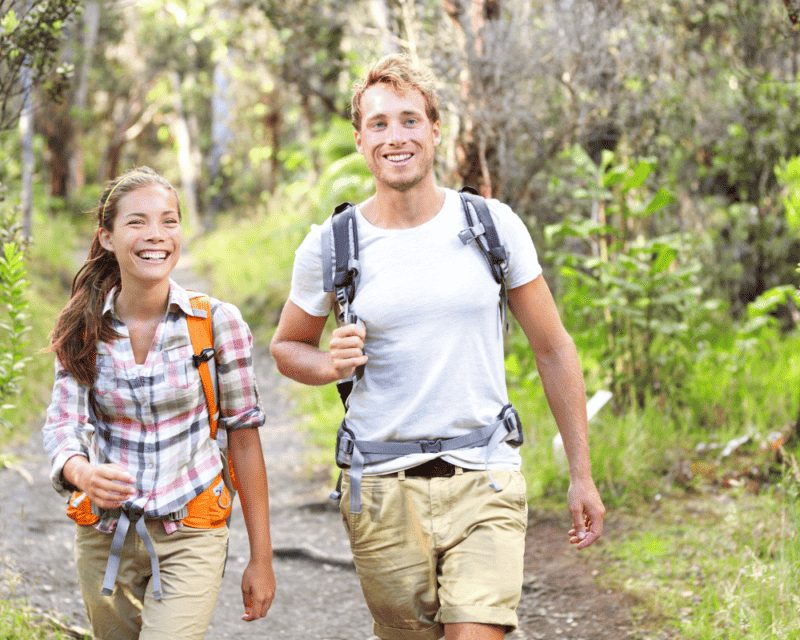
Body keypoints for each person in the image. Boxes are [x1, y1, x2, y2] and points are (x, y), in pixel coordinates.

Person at [270, 54, 605, 640]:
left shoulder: (491, 225)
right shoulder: (331, 244)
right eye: (378, 124)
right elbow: (286, 348)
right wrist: (329, 363)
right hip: (379, 485)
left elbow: (552, 347)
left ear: (434, 129)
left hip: (486, 474)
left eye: (408, 120)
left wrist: (582, 473)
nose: (395, 137)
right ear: (359, 139)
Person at [43, 166, 275, 640]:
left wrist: (262, 559)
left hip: (192, 527)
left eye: (169, 221)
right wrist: (84, 473)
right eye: (137, 222)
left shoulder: (215, 323)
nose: (156, 235)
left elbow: (244, 441)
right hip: (105, 535)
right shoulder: (82, 327)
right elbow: (63, 425)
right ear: (106, 237)